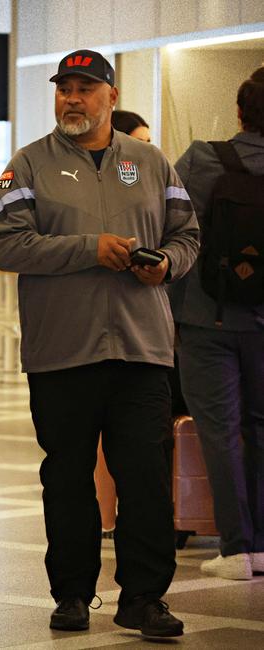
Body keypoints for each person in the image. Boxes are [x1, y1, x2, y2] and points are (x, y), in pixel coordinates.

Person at [0, 49, 199, 637]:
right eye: (64, 89)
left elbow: (187, 235)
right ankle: (73, 595)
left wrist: (168, 266)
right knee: (68, 477)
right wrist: (89, 248)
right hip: (63, 351)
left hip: (141, 351)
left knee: (145, 477)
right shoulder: (29, 165)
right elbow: (8, 245)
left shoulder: (152, 163)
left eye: (84, 89)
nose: (71, 99)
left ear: (111, 96)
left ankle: (144, 599)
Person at [169, 66, 264, 580]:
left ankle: (235, 549)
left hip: (209, 318)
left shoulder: (204, 158)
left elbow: (169, 227)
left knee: (220, 430)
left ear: (238, 111)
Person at [95, 109, 153, 539]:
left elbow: (185, 237)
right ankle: (102, 517)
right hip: (82, 336)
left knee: (137, 447)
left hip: (140, 335)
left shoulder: (151, 174)